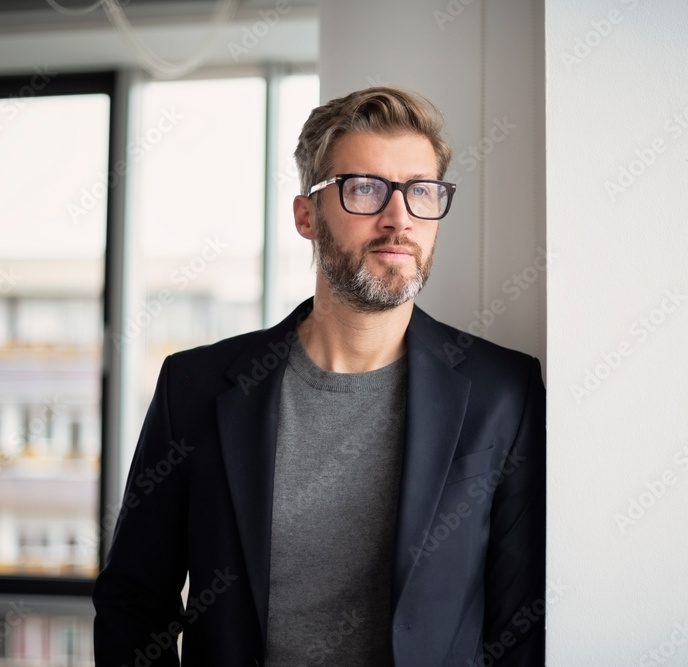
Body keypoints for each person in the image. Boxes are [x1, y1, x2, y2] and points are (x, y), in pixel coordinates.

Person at [93, 85, 546, 666]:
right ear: (307, 216)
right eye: (364, 190)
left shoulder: (504, 393)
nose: (398, 219)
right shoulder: (196, 389)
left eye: (421, 192)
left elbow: (519, 628)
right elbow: (135, 600)